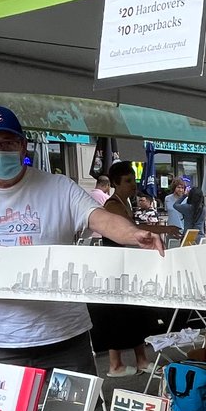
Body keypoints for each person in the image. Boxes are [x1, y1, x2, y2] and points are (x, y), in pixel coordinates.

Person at [0, 105, 163, 375]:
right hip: (0, 342)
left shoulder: (59, 187)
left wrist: (134, 234)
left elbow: (101, 219)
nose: (0, 150)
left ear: (23, 145)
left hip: (67, 337)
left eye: (8, 142)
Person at [91, 161, 158, 376]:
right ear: (115, 183)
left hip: (127, 266)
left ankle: (141, 360)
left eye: (134, 180)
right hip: (115, 269)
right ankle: (115, 364)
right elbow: (133, 229)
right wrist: (164, 228)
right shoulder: (113, 205)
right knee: (118, 316)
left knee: (134, 313)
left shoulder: (125, 202)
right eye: (128, 181)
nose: (133, 185)